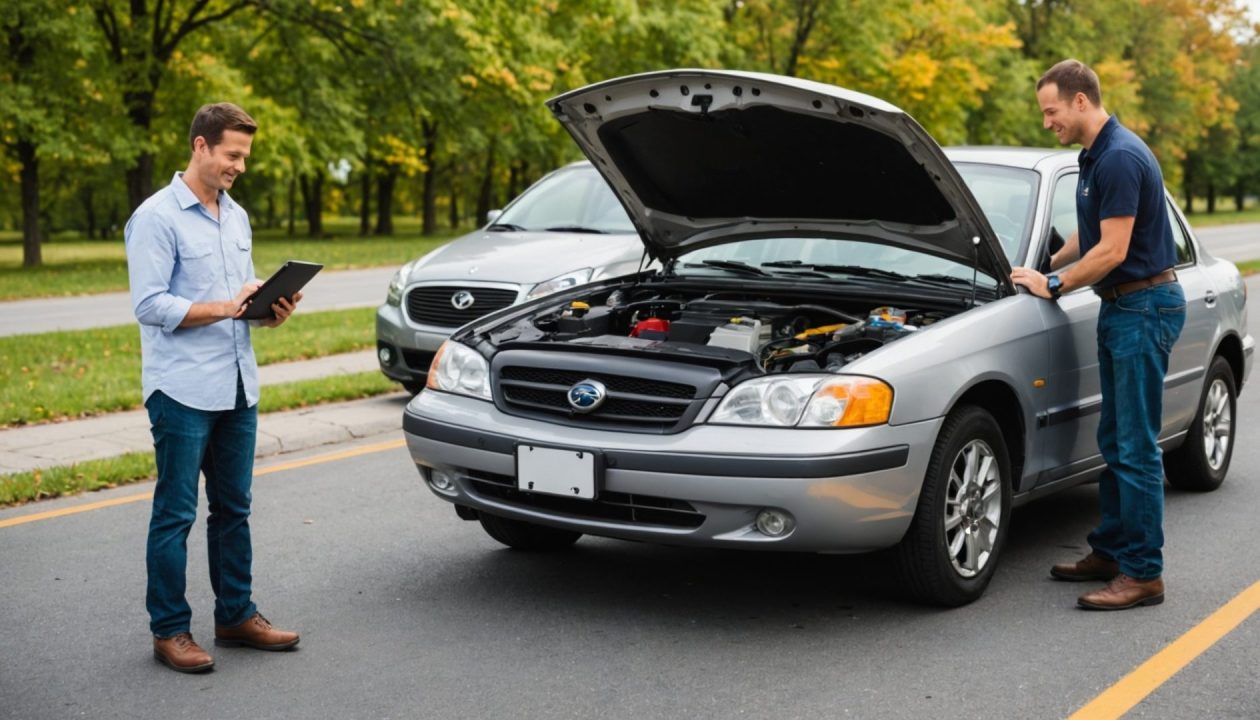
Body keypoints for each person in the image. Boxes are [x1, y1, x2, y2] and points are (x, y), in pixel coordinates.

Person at [126, 103, 302, 672]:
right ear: (200, 146)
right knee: (175, 514)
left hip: (236, 385)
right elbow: (150, 305)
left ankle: (235, 615)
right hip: (181, 390)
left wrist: (265, 310)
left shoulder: (237, 216)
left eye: (244, 156)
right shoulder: (155, 217)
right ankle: (170, 630)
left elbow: (234, 302)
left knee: (234, 510)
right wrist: (227, 308)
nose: (240, 166)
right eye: (232, 154)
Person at [1011, 60, 1185, 611]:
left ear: (1080, 101)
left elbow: (1112, 251)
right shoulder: (1095, 157)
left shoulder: (1120, 156)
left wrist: (1054, 283)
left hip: (1144, 307)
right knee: (1115, 440)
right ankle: (1110, 550)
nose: (1047, 122)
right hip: (1121, 307)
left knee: (1135, 447)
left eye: (1051, 110)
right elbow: (1094, 232)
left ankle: (1144, 574)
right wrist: (1042, 260)